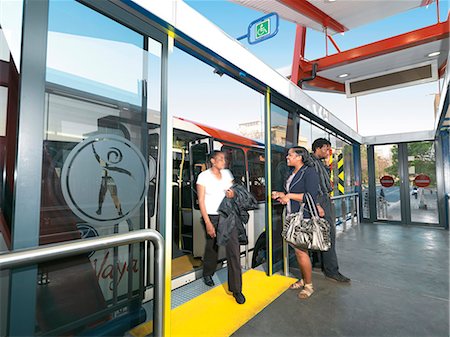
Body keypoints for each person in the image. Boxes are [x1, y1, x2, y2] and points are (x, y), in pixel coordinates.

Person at [272, 146, 323, 299]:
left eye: (290, 155)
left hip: (304, 217)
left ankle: (308, 286)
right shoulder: (291, 174)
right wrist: (283, 196)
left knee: (301, 252)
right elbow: (291, 195)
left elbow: (311, 196)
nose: (287, 157)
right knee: (299, 251)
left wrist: (290, 196)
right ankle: (304, 279)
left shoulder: (309, 172)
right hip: (292, 215)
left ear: (299, 157)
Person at [196, 151, 245, 304]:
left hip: (228, 216)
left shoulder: (227, 173)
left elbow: (233, 191)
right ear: (212, 161)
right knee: (212, 247)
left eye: (224, 159)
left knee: (234, 251)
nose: (223, 161)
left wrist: (232, 194)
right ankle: (208, 273)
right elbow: (201, 201)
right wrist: (208, 223)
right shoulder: (203, 176)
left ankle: (237, 290)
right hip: (211, 217)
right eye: (220, 159)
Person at [311, 138, 351, 283]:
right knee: (329, 235)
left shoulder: (319, 163)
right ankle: (332, 271)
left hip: (323, 199)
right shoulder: (312, 163)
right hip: (320, 200)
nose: (328, 152)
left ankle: (318, 263)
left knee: (320, 233)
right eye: (325, 149)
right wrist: (317, 204)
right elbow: (311, 186)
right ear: (317, 148)